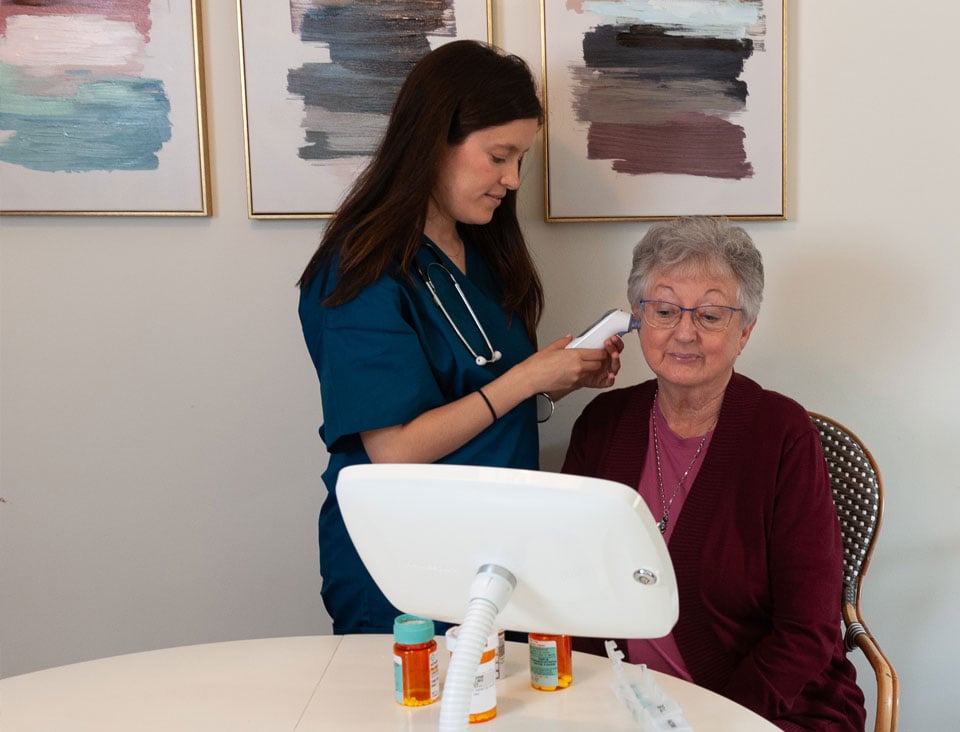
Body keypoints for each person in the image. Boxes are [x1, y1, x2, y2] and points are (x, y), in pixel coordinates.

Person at [297, 40, 621, 634]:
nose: (513, 179)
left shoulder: (484, 255)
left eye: (520, 158)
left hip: (495, 554)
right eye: (500, 156)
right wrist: (526, 378)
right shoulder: (362, 272)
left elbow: (480, 397)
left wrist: (560, 380)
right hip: (403, 560)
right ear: (433, 139)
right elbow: (393, 449)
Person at [562, 217, 865, 731]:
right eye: (664, 310)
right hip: (621, 704)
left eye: (709, 314)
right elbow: (569, 581)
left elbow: (808, 630)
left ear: (744, 330)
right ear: (638, 319)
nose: (684, 332)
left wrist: (714, 721)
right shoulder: (603, 424)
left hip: (766, 708)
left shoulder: (782, 433)